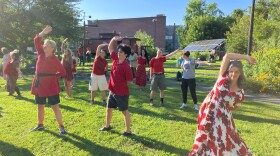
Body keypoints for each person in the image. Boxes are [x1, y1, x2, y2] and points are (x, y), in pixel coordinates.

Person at [188, 53, 256, 156]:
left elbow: (233, 107)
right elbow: (227, 56)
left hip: (223, 119)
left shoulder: (240, 93)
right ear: (228, 71)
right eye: (231, 71)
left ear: (241, 73)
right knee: (205, 139)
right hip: (208, 113)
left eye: (237, 72)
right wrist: (246, 57)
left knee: (224, 140)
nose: (233, 74)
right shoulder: (222, 78)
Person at [29, 25, 67, 135]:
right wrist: (43, 32)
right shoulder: (40, 53)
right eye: (45, 44)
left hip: (51, 85)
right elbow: (36, 40)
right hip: (39, 83)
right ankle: (40, 124)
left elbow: (63, 72)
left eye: (48, 45)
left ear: (52, 48)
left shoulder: (54, 58)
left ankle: (61, 127)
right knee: (40, 106)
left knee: (55, 107)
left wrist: (53, 76)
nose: (45, 45)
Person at [99, 36, 133, 137]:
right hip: (112, 91)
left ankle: (128, 131)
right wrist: (113, 39)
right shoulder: (115, 60)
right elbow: (110, 48)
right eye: (118, 52)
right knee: (108, 108)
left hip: (121, 93)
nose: (118, 53)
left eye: (121, 52)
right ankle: (107, 126)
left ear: (126, 55)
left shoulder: (126, 67)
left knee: (124, 111)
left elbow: (130, 81)